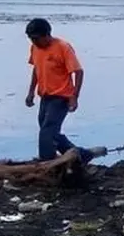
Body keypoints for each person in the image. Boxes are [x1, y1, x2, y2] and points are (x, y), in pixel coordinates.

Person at [24, 18, 94, 162]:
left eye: (36, 38)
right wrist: (31, 92)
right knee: (49, 130)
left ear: (46, 34)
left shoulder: (63, 47)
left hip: (61, 97)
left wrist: (74, 97)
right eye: (31, 39)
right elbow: (36, 69)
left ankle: (46, 162)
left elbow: (78, 72)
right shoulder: (35, 48)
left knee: (47, 131)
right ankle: (80, 155)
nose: (34, 42)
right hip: (45, 96)